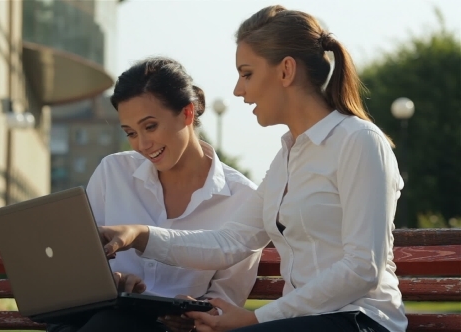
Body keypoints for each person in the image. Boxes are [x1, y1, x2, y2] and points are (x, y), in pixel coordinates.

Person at [99, 5, 407, 332]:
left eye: (247, 74)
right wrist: (139, 235)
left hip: (361, 320)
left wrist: (257, 318)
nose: (238, 89)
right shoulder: (287, 157)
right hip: (302, 322)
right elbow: (228, 242)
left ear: (286, 70)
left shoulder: (359, 141)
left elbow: (363, 268)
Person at [47, 57, 261, 332]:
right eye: (131, 133)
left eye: (150, 127)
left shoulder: (241, 198)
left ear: (187, 114)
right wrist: (114, 282)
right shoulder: (113, 172)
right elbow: (83, 264)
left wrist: (193, 314)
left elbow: (226, 299)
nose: (142, 145)